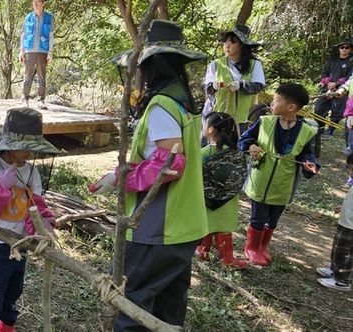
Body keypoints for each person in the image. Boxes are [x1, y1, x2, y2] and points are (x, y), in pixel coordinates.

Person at [90, 20, 208, 330]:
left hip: (159, 227)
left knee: (133, 304)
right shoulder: (184, 102)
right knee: (169, 304)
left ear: (152, 65)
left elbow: (170, 163)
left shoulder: (161, 105)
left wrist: (119, 179)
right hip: (186, 224)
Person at [0, 108, 59, 332]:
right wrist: (1, 186)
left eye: (32, 147)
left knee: (13, 290)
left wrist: (44, 224)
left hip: (20, 244)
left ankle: (6, 326)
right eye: (25, 146)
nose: (29, 152)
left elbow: (35, 205)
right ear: (9, 144)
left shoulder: (32, 172)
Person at [238, 83, 319, 266]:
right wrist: (251, 146)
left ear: (291, 107)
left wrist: (309, 163)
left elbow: (307, 153)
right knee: (258, 217)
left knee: (273, 218)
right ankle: (251, 247)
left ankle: (263, 246)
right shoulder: (265, 121)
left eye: (275, 100)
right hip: (260, 180)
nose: (271, 104)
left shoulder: (306, 131)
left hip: (284, 184)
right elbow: (245, 139)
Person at [195, 112, 247, 269]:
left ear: (210, 130)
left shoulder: (202, 153)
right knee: (223, 227)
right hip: (228, 199)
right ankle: (227, 259)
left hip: (206, 199)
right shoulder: (236, 153)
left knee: (206, 224)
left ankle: (202, 252)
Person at [203, 24, 265, 134]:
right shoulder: (216, 64)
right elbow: (205, 86)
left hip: (241, 117)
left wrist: (242, 85)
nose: (227, 45)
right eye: (225, 42)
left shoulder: (254, 64)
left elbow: (258, 86)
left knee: (236, 147)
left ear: (242, 45)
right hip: (217, 116)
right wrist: (213, 86)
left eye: (232, 42)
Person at [316, 155, 353, 292]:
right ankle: (334, 270)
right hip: (346, 222)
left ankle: (343, 280)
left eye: (351, 168)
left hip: (351, 226)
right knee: (337, 249)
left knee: (346, 253)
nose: (350, 172)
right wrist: (342, 208)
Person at [314, 37, 353, 144]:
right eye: (342, 47)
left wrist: (337, 85)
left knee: (337, 111)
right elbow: (325, 72)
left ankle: (330, 131)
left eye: (347, 47)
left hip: (341, 90)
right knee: (319, 108)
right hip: (327, 89)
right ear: (339, 48)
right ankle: (319, 129)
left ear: (350, 49)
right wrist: (327, 83)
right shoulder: (332, 60)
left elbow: (350, 77)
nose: (344, 49)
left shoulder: (351, 62)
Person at [19, 0, 55, 110]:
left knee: (41, 76)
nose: (34, 5)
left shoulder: (50, 18)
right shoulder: (28, 17)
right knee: (27, 75)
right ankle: (25, 99)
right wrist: (21, 51)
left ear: (43, 3)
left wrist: (50, 52)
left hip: (43, 51)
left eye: (37, 3)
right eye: (33, 3)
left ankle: (41, 100)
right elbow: (23, 35)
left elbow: (51, 36)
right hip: (29, 50)